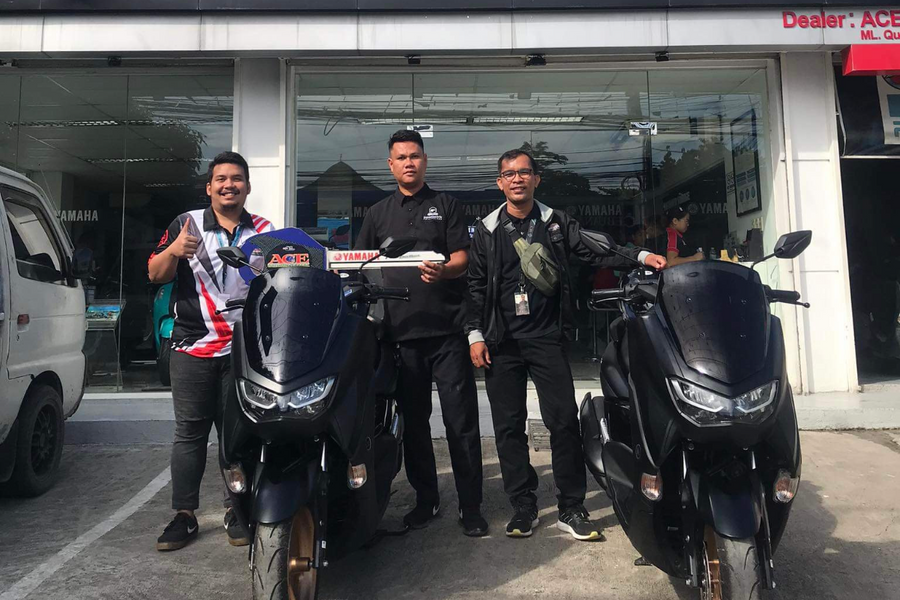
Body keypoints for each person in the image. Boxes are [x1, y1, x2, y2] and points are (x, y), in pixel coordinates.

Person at [466, 149, 666, 540]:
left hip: (547, 338)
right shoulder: (487, 230)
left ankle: (571, 507)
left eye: (525, 172)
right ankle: (523, 506)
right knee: (508, 428)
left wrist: (641, 255)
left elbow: (596, 247)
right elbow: (474, 286)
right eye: (510, 174)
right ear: (500, 183)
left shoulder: (555, 223)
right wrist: (475, 335)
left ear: (536, 179)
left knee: (563, 423)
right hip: (502, 343)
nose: (518, 179)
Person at [354, 130, 487, 537]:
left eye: (415, 156)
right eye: (401, 157)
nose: (409, 163)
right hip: (400, 336)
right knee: (414, 425)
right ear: (390, 165)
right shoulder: (376, 213)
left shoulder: (446, 205)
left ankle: (470, 506)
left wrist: (444, 270)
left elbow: (462, 257)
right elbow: (361, 265)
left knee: (461, 423)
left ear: (425, 161)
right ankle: (426, 499)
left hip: (447, 334)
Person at [148, 151, 274, 551]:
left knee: (237, 434)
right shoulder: (185, 223)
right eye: (221, 179)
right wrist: (174, 251)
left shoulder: (266, 230)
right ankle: (184, 515)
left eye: (236, 179)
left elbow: (281, 282)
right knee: (189, 433)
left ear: (247, 187)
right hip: (192, 346)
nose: (228, 185)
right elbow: (154, 274)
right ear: (209, 187)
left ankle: (236, 508)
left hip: (244, 349)